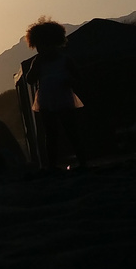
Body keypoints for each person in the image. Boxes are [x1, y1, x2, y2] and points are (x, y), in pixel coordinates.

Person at [24, 18, 88, 171]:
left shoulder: (65, 60)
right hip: (46, 100)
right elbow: (29, 79)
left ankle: (82, 162)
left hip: (63, 98)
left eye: (43, 45)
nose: (40, 49)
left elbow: (78, 78)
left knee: (71, 131)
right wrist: (36, 69)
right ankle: (52, 165)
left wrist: (69, 81)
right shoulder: (38, 61)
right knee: (51, 134)